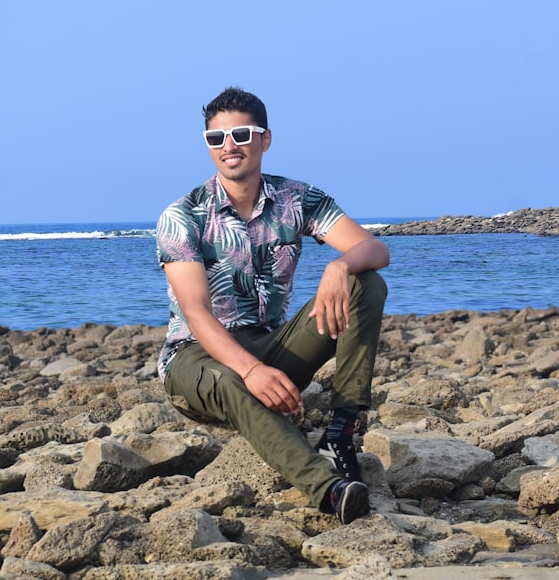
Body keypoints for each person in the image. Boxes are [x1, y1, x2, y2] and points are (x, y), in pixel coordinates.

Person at [155, 86, 389, 525]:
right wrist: (250, 370)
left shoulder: (297, 198)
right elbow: (196, 313)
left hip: (270, 345)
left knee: (365, 283)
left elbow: (373, 249)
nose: (229, 147)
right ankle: (330, 490)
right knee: (231, 378)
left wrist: (339, 267)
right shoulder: (183, 215)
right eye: (216, 139)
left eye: (241, 135)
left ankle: (342, 430)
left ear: (265, 139)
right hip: (195, 357)